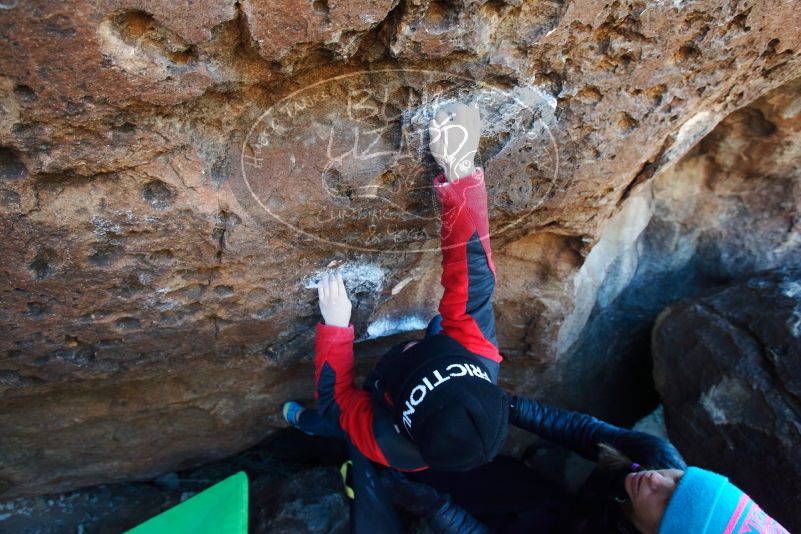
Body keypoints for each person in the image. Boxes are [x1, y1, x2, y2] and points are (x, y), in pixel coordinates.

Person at [283, 102, 510, 474]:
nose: (408, 346)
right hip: (431, 372)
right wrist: (461, 173)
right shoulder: (479, 360)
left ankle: (307, 426)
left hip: (370, 417)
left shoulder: (384, 442)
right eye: (431, 357)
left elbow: (336, 399)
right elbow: (472, 276)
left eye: (412, 366)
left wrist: (337, 331)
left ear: (400, 413)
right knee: (446, 327)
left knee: (333, 423)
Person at [380, 398, 790, 534]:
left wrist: (434, 509)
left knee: (408, 487)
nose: (657, 481)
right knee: (453, 459)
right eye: (681, 481)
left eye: (667, 504)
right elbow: (583, 431)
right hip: (556, 509)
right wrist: (504, 404)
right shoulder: (659, 460)